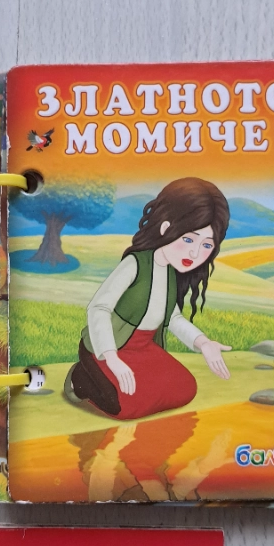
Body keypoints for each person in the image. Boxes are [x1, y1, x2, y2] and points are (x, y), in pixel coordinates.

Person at [64, 177, 231, 420]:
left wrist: (203, 343)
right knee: (127, 405)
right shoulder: (135, 264)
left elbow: (173, 318)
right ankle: (81, 377)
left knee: (185, 388)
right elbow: (98, 308)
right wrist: (112, 358)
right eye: (188, 239)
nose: (195, 253)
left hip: (144, 348)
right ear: (165, 228)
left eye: (206, 245)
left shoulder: (172, 272)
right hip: (109, 347)